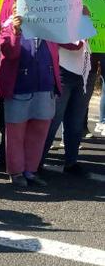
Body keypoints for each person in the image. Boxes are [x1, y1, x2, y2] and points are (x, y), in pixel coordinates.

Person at [0, 11, 59, 187]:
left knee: (39, 131)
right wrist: (16, 31)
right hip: (19, 87)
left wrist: (81, 19)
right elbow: (9, 52)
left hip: (44, 86)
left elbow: (72, 44)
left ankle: (30, 170)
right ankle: (16, 172)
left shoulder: (49, 24)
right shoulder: (7, 27)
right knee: (15, 133)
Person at [40, 38, 90, 176]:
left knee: (76, 121)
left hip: (86, 73)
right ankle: (36, 162)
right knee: (53, 119)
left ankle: (71, 162)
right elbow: (54, 36)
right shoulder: (64, 15)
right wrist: (79, 41)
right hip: (62, 70)